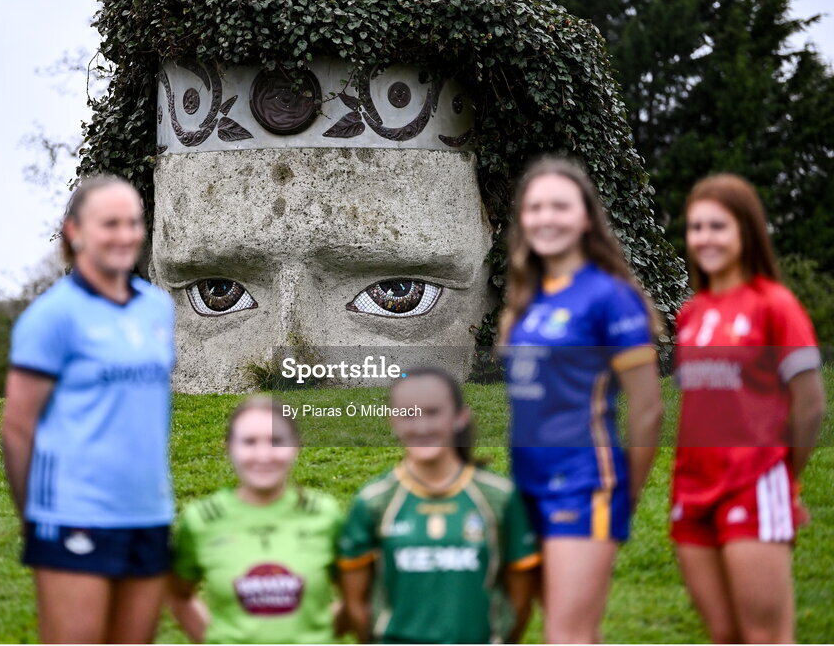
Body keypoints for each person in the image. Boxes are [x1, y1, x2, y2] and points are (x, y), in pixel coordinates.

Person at [0, 175, 175, 643]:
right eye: (110, 224)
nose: (125, 235)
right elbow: (17, 429)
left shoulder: (159, 309)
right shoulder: (51, 317)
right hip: (73, 515)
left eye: (134, 222)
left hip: (148, 514)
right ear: (74, 231)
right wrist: (35, 517)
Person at [499, 156, 664, 642]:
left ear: (586, 217)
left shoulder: (610, 298)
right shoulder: (528, 299)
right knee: (514, 625)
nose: (546, 218)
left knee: (568, 634)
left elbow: (649, 408)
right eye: (535, 207)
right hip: (524, 487)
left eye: (560, 206)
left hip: (583, 483)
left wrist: (622, 494)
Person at [672, 174, 825, 644]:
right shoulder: (691, 315)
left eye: (718, 226)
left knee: (766, 637)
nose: (705, 238)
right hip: (691, 494)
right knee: (724, 635)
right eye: (696, 227)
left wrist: (782, 475)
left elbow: (811, 404)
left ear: (746, 230)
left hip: (752, 486)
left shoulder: (775, 305)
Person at [339, 367, 540, 644]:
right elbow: (357, 606)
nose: (421, 426)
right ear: (393, 421)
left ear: (460, 417)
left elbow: (519, 604)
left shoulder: (501, 497)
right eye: (409, 414)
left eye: (433, 412)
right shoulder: (373, 501)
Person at [169, 396, 344, 643]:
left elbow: (358, 596)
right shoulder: (200, 521)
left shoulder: (326, 516)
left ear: (296, 446)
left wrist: (317, 634)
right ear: (229, 447)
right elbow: (178, 594)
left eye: (276, 441)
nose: (263, 455)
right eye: (249, 442)